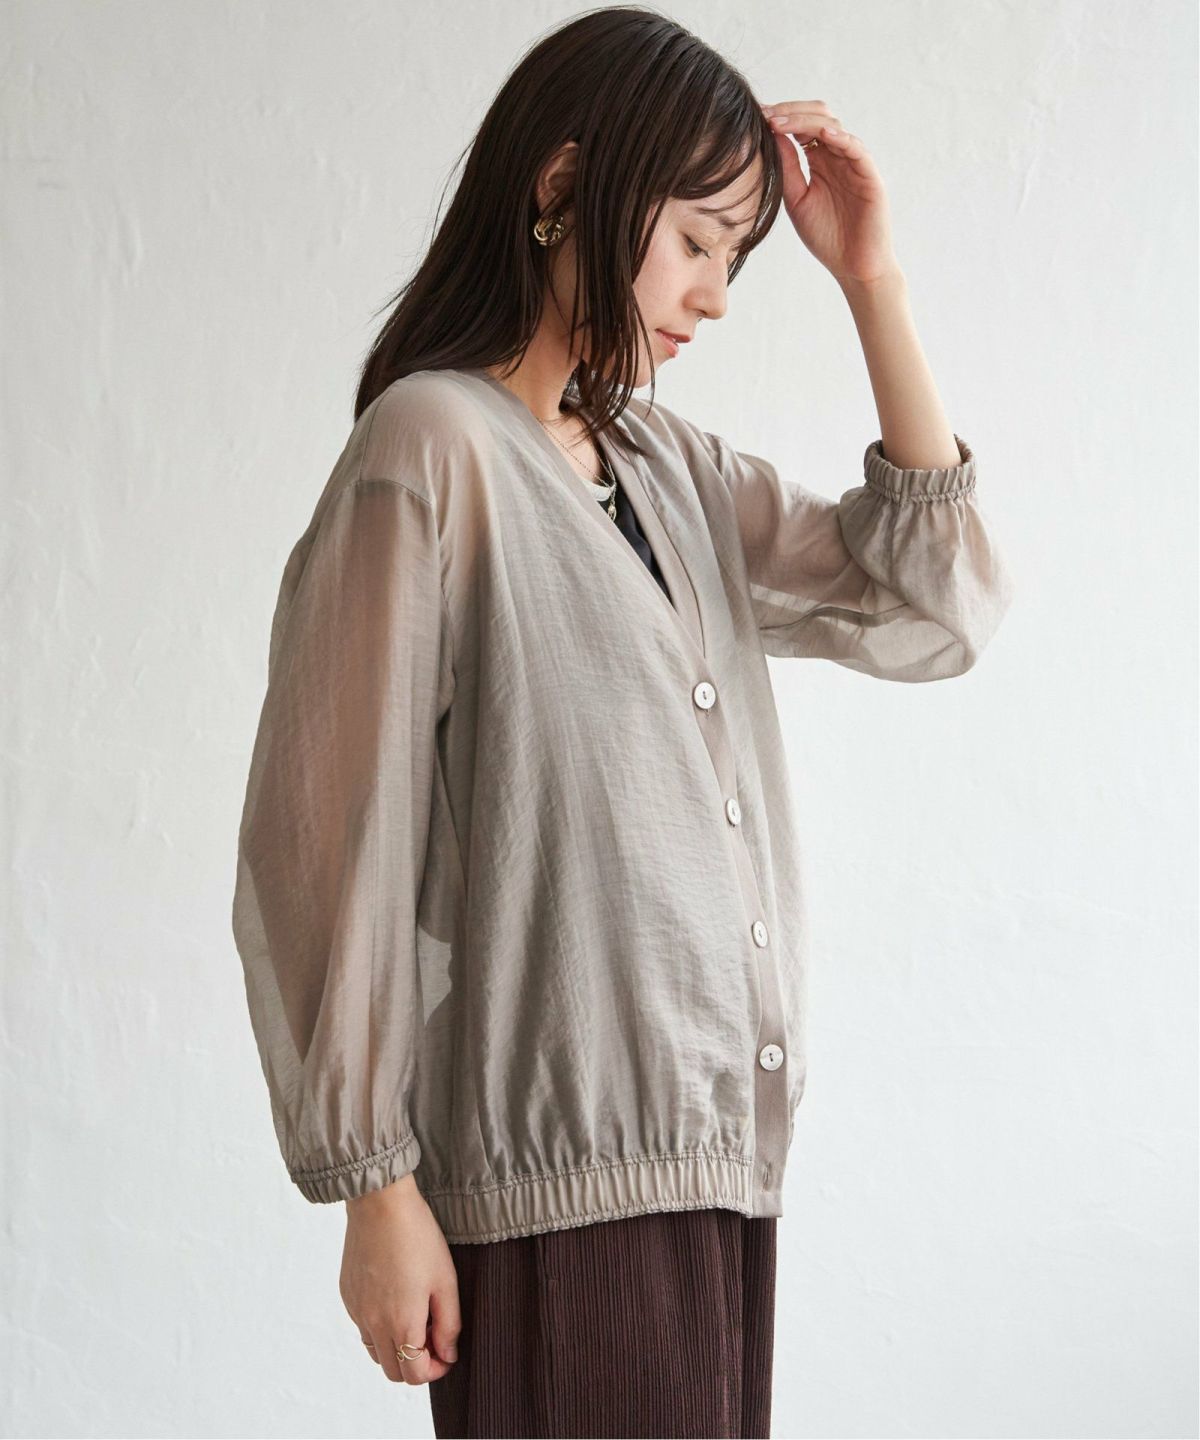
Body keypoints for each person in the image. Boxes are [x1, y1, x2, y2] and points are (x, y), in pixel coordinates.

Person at [230, 8, 1015, 1437]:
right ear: (561, 188)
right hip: (557, 1193)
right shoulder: (433, 450)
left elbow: (935, 603)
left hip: (713, 1176)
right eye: (698, 241)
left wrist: (873, 282)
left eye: (737, 257)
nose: (713, 296)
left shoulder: (666, 469)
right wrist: (374, 1189)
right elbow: (331, 835)